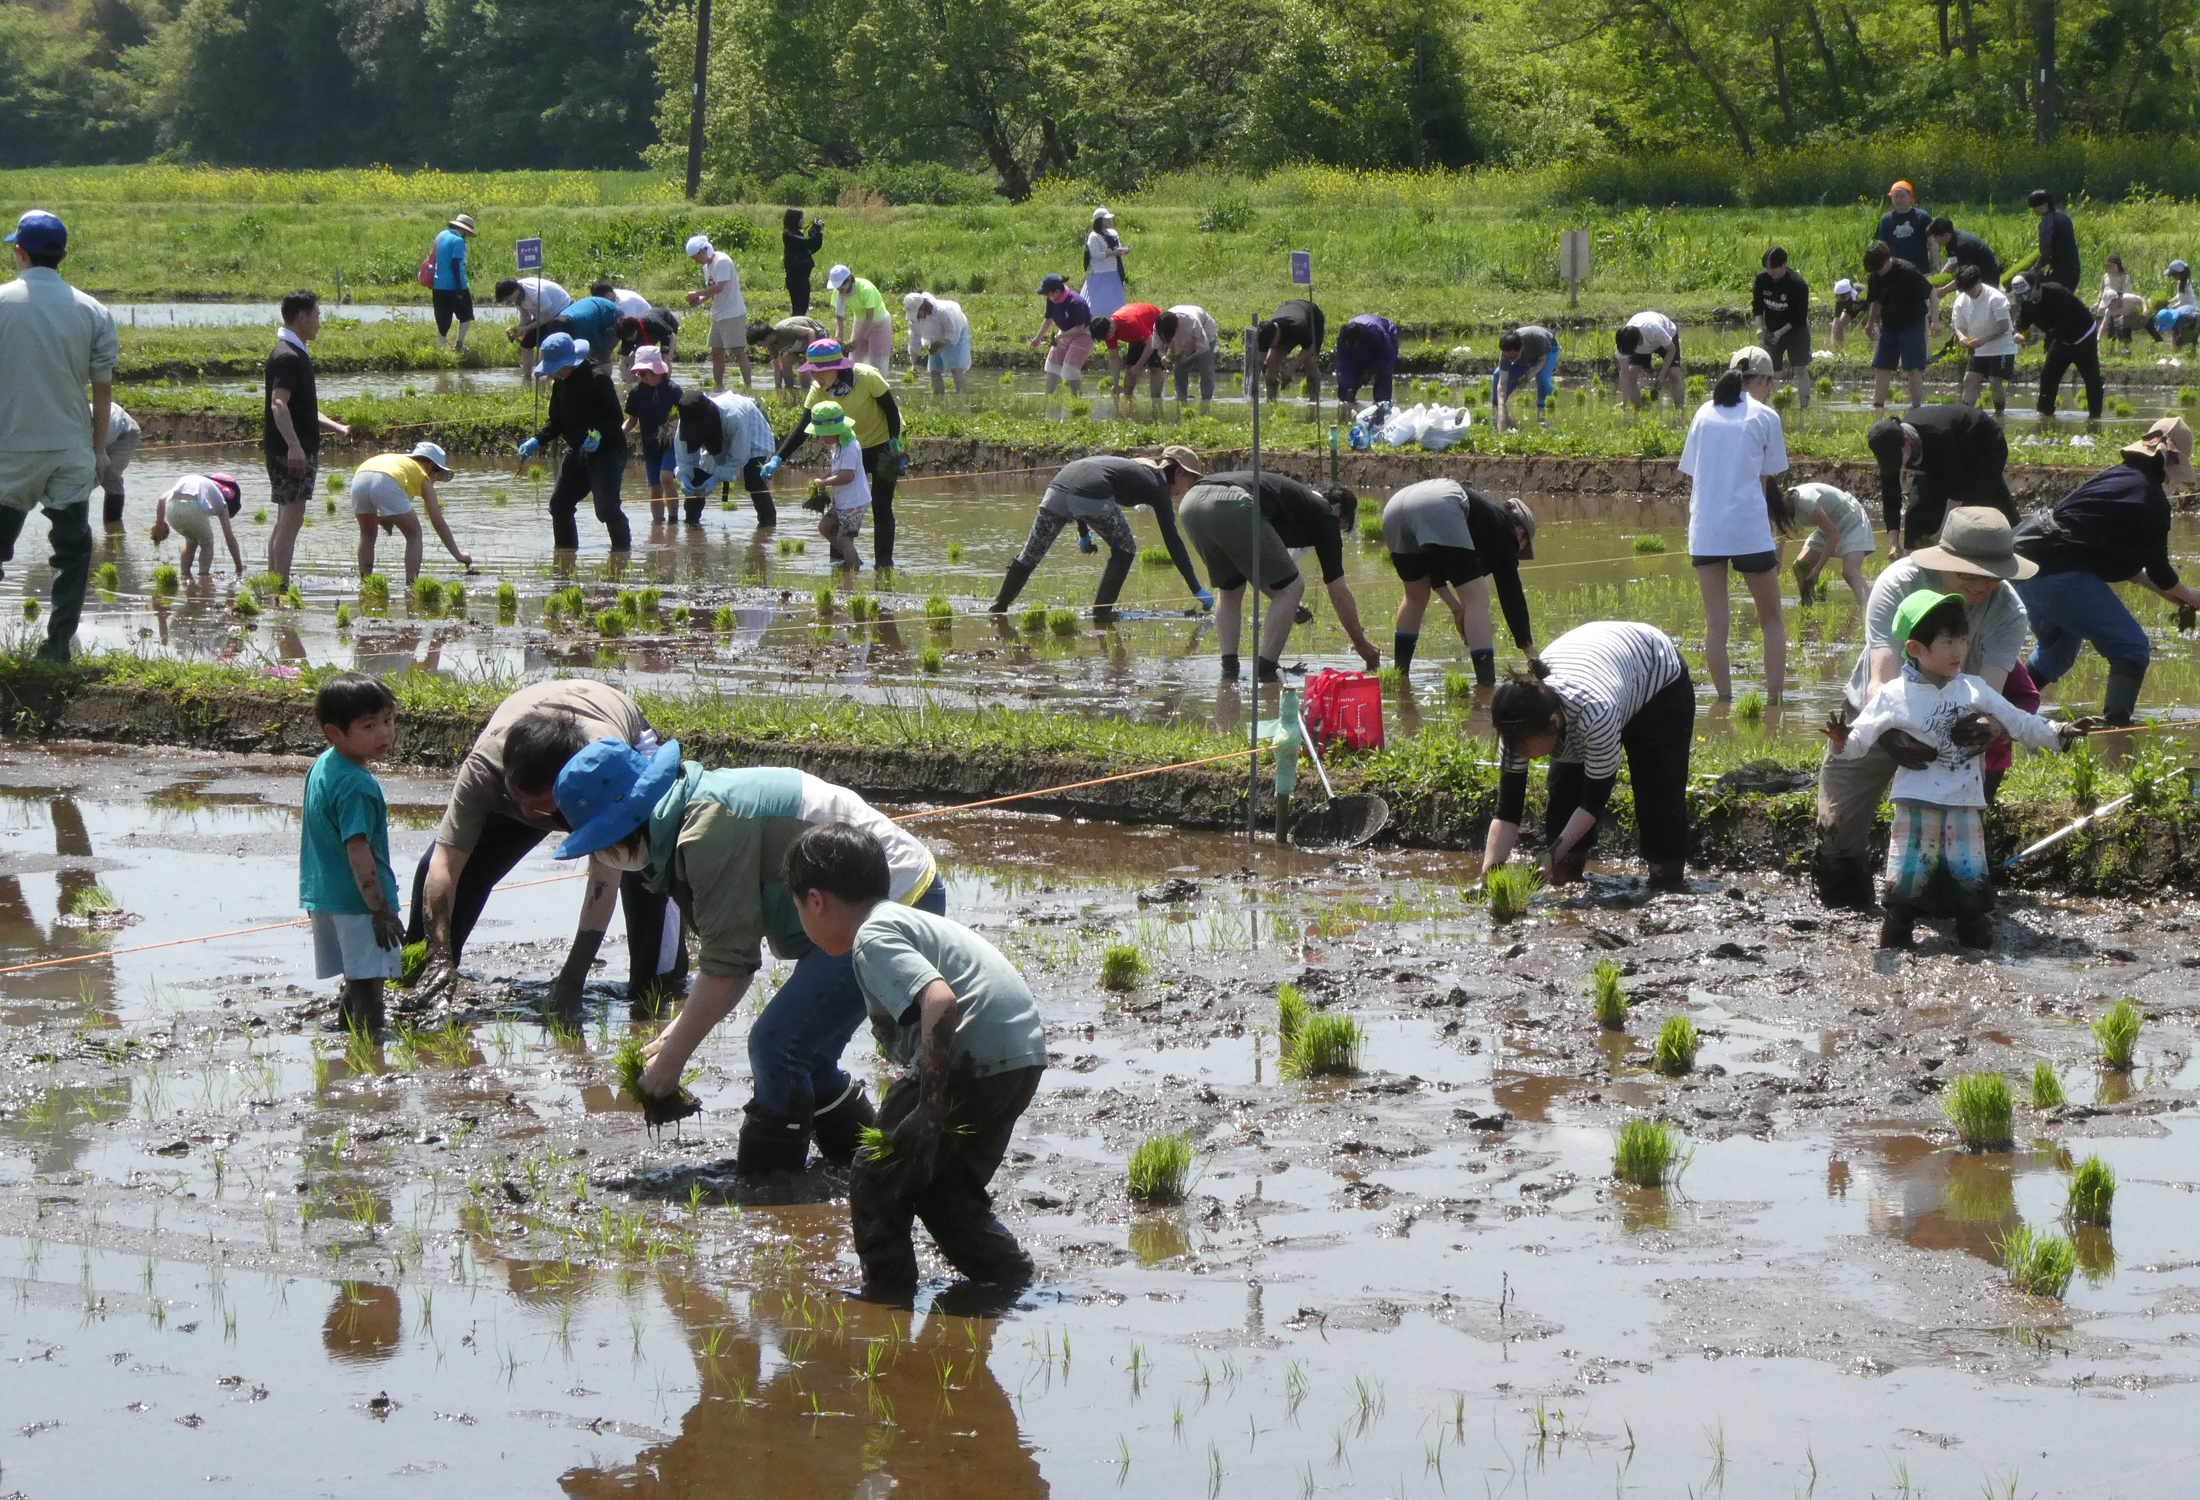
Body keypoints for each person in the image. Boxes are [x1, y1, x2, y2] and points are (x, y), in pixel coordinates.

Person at [552, 741, 947, 1175]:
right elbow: (728, 956)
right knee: (806, 1054)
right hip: (851, 905)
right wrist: (675, 1035)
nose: (602, 856)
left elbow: (730, 966)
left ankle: (771, 1187)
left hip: (893, 901)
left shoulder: (709, 827)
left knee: (777, 1045)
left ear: (626, 823)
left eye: (602, 843)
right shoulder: (687, 818)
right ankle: (870, 1164)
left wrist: (670, 1064)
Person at [784, 822, 1046, 1302]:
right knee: (945, 1189)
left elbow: (941, 1001)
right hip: (1021, 1055)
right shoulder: (903, 919)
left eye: (797, 906)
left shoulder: (872, 936)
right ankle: (1010, 1278)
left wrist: (928, 1106)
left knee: (874, 1176)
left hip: (973, 1053)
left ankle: (887, 1296)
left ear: (816, 901)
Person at [406, 682, 687, 1012]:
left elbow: (603, 882)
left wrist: (572, 979)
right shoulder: (484, 771)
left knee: (644, 868)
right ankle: (422, 978)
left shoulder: (600, 774)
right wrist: (437, 955)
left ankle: (656, 988)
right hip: (527, 748)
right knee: (447, 873)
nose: (528, 815)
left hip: (617, 753)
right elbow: (444, 863)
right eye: (519, 799)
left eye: (538, 804)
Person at [1812, 507, 2039, 910]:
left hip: (1953, 731)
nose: (1984, 584)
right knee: (1837, 831)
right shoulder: (1898, 583)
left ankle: (1939, 907)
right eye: (1971, 572)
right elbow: (1879, 683)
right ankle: (1845, 904)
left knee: (1948, 854)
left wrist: (1990, 728)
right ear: (1945, 561)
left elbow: (1989, 696)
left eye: (1993, 574)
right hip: (1879, 713)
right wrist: (1891, 732)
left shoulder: (2008, 612)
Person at [1827, 591, 2079, 950]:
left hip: (1964, 801)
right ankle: (1894, 947)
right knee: (1904, 886)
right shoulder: (1893, 695)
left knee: (1970, 880)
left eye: (1963, 639)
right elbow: (1858, 743)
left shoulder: (1974, 689)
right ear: (1915, 648)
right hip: (1915, 803)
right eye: (1947, 642)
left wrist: (2061, 732)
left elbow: (2019, 722)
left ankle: (1977, 949)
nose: (1959, 651)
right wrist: (1840, 739)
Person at [2013, 417, 2200, 723]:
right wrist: (2191, 595)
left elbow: (2130, 567)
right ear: (2171, 462)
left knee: (2057, 653)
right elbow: (2161, 571)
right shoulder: (2150, 499)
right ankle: (2117, 729)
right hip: (2062, 574)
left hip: (2029, 568)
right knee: (2132, 647)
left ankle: (2005, 711)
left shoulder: (2116, 478)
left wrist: (2171, 596)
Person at [1482, 621, 1694, 887]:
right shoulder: (1515, 723)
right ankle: (1568, 878)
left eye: (1529, 750)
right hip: (1600, 668)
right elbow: (1507, 810)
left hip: (1656, 676)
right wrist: (1489, 876)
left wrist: (1549, 855)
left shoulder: (1595, 715)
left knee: (1657, 794)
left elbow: (1593, 801)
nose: (1527, 757)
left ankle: (1667, 881)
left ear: (1553, 724)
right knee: (1563, 799)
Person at [0, 210, 115, 665]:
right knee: (73, 552)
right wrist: (99, 451)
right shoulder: (93, 310)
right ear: (63, 255)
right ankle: (57, 647)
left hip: (10, 451)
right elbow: (102, 389)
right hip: (70, 449)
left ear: (19, 253)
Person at [1177, 470, 1381, 680]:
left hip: (1191, 503)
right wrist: (1361, 643)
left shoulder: (1296, 505)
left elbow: (1261, 576)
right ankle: (1266, 670)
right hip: (1234, 502)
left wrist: (1286, 603)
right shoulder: (1326, 516)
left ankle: (1229, 670)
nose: (1336, 532)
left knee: (1231, 587)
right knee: (1294, 586)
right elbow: (1338, 590)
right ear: (1337, 510)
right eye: (1342, 526)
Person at [1680, 347, 1789, 703]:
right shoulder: (1765, 417)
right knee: (1771, 618)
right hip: (1748, 531)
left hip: (1706, 531)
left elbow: (1694, 475)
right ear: (1763, 380)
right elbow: (1764, 480)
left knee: (1716, 623)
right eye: (1770, 383)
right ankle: (1773, 701)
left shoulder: (1703, 414)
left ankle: (1724, 701)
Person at [989, 448, 1211, 618]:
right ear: (1179, 472)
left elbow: (1082, 484)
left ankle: (998, 608)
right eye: (1188, 483)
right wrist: (1196, 588)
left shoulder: (1135, 470)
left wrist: (1084, 534)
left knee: (1030, 554)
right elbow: (1173, 540)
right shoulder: (1157, 488)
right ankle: (1102, 613)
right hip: (1087, 492)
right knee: (1126, 548)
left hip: (1057, 487)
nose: (1185, 491)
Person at [302, 672, 403, 1028]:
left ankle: (344, 1040)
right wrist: (380, 909)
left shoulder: (324, 765)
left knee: (355, 976)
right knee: (370, 985)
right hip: (359, 903)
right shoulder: (356, 784)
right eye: (369, 725)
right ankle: (370, 1056)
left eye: (388, 720)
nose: (384, 733)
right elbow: (358, 850)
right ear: (335, 732)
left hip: (326, 896)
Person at [761, 338, 905, 569]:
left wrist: (895, 445)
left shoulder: (866, 377)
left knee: (881, 504)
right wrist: (778, 458)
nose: (815, 379)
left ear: (835, 367)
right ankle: (840, 565)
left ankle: (884, 565)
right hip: (847, 445)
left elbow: (890, 410)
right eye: (813, 373)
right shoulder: (819, 389)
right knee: (840, 504)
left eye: (819, 373)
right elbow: (803, 426)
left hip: (882, 443)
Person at [1380, 481, 1537, 686]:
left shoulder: (1479, 522)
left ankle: (1400, 677)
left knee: (1415, 596)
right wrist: (1529, 651)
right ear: (1521, 534)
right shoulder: (1505, 529)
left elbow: (1433, 573)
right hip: (1439, 501)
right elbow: (1511, 594)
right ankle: (1486, 685)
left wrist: (1456, 609)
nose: (1515, 552)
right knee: (1477, 598)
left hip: (1394, 507)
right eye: (1520, 549)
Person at [263, 289, 349, 589]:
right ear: (302, 316)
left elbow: (301, 409)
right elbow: (279, 404)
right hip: (290, 452)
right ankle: (281, 588)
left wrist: (334, 426)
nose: (319, 323)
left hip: (287, 448)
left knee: (285, 518)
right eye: (317, 315)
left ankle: (275, 582)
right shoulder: (288, 356)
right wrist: (295, 446)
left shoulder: (292, 352)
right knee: (291, 519)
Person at [515, 332, 629, 555]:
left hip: (607, 452)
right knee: (559, 505)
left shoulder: (598, 379)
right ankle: (565, 557)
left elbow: (615, 419)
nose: (556, 372)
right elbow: (556, 420)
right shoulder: (562, 384)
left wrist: (597, 435)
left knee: (606, 509)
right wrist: (537, 440)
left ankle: (622, 556)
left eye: (558, 367)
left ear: (571, 361)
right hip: (578, 452)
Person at [1865, 404, 2014, 552]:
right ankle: (1916, 562)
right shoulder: (1888, 445)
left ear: (1907, 441)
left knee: (1971, 510)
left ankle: (2012, 543)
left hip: (1984, 445)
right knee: (1916, 514)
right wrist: (1894, 541)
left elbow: (1957, 491)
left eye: (1899, 459)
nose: (1898, 465)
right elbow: (1890, 496)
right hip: (1942, 457)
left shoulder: (1939, 436)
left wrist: (1942, 534)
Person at [347, 442, 472, 584]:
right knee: (414, 534)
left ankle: (365, 582)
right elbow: (438, 522)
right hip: (387, 480)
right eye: (438, 475)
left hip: (359, 477)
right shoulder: (422, 475)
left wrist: (382, 519)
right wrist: (458, 555)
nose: (436, 480)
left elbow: (377, 490)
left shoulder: (400, 463)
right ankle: (411, 584)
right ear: (431, 466)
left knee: (367, 534)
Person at [670, 385, 777, 528]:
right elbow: (684, 457)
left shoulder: (734, 416)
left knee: (754, 479)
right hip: (723, 430)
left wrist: (715, 479)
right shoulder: (687, 417)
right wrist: (683, 476)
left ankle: (768, 526)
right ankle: (691, 526)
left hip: (751, 424)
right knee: (697, 478)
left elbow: (739, 457)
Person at [2009, 272, 2103, 421]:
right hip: (2061, 340)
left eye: (2025, 293)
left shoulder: (2057, 293)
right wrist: (2019, 333)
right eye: (2020, 295)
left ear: (2036, 287)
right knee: (2048, 375)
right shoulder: (2027, 302)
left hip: (2083, 336)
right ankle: (2045, 414)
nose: (2023, 299)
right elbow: (2023, 323)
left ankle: (2095, 418)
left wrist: (2044, 336)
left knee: (2092, 379)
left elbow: (2068, 321)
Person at [1862, 240, 1931, 413]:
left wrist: (1936, 321)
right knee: (1882, 365)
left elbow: (1932, 293)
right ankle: (1878, 406)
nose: (1877, 273)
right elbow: (1876, 300)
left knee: (1911, 367)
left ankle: (1917, 408)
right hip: (1889, 324)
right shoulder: (1876, 273)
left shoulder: (1908, 271)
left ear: (1887, 260)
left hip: (1912, 323)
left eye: (1879, 269)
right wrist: (1870, 322)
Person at [1786, 482, 1874, 608]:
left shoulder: (1805, 500)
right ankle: (1809, 607)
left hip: (1850, 519)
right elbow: (1781, 537)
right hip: (1827, 525)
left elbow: (1834, 534)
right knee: (1801, 567)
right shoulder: (1777, 509)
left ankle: (1867, 611)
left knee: (1850, 572)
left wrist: (1817, 570)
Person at [622, 346, 683, 525]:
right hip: (650, 445)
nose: (643, 378)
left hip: (671, 443)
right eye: (639, 374)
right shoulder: (636, 393)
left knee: (666, 477)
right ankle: (657, 526)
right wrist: (619, 434)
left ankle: (673, 521)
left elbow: (683, 417)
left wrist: (673, 426)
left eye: (646, 373)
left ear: (657, 371)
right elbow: (632, 420)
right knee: (655, 487)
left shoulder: (673, 390)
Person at [685, 234, 754, 391]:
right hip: (718, 314)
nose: (695, 261)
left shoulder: (721, 261)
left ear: (702, 251)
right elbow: (712, 291)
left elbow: (720, 286)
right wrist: (700, 300)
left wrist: (697, 293)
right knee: (716, 352)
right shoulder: (706, 267)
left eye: (695, 257)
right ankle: (719, 387)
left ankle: (749, 386)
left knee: (738, 351)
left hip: (733, 313)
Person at [1948, 264, 2016, 418]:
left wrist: (1983, 340)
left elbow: (2004, 327)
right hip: (1978, 347)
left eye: (1971, 288)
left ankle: (1999, 414)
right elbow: (1958, 325)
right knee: (1969, 379)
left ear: (1979, 281)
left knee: (1994, 380)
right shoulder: (1960, 300)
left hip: (2001, 347)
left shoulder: (1996, 298)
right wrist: (1962, 337)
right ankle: (1966, 414)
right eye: (1966, 290)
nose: (1970, 293)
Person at [150, 472, 244, 583]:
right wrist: (239, 566)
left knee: (190, 541)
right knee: (207, 543)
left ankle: (185, 576)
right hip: (193, 508)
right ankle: (203, 576)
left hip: (171, 510)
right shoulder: (220, 500)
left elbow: (162, 500)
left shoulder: (195, 481)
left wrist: (159, 525)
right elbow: (229, 538)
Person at [808, 400, 870, 568]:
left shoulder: (850, 446)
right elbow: (837, 470)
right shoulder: (837, 445)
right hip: (843, 502)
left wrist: (823, 483)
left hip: (854, 502)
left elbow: (846, 476)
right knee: (825, 527)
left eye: (822, 433)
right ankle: (853, 559)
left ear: (834, 430)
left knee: (845, 539)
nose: (821, 438)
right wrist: (824, 477)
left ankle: (852, 571)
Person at [1751, 249, 1812, 409]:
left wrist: (1780, 333)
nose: (1770, 272)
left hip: (1795, 331)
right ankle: (1765, 407)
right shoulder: (1761, 279)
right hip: (1772, 330)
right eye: (1767, 268)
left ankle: (1804, 407)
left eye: (1774, 268)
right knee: (1768, 371)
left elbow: (1800, 317)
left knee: (1800, 369)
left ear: (1785, 264)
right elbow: (1757, 306)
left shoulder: (1798, 285)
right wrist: (1760, 328)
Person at [1925, 216, 2001, 323]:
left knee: (1984, 308)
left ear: (1946, 235)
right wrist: (1938, 279)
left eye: (1935, 237)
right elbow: (1952, 263)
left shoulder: (1963, 245)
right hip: (1973, 273)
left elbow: (1963, 277)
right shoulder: (1950, 241)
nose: (1934, 240)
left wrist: (1944, 290)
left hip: (1987, 275)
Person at [494, 275, 570, 383]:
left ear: (515, 291)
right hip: (542, 314)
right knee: (526, 343)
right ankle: (527, 378)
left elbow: (547, 317)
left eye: (508, 298)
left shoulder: (535, 292)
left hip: (560, 310)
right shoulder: (516, 296)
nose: (509, 301)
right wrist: (518, 329)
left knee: (548, 342)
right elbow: (525, 316)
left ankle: (548, 376)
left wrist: (526, 328)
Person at [1029, 275, 1092, 397]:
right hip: (1065, 332)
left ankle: (1077, 397)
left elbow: (1080, 327)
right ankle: (1048, 396)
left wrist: (1060, 337)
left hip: (1084, 334)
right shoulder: (1052, 300)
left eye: (1047, 293)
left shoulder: (1075, 302)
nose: (1047, 296)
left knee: (1070, 369)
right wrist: (1038, 338)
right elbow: (1048, 320)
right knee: (1052, 365)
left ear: (1057, 291)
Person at [825, 264, 892, 376]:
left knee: (877, 366)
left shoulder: (866, 289)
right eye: (837, 287)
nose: (839, 289)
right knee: (855, 362)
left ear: (850, 279)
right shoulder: (838, 293)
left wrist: (857, 340)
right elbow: (839, 317)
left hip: (878, 323)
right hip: (860, 321)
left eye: (842, 285)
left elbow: (870, 317)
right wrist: (839, 336)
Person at [2009, 188, 2081, 291]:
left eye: (2035, 206)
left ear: (2045, 205)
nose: (2033, 210)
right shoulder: (2064, 216)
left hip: (2060, 273)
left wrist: (2034, 269)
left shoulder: (2047, 224)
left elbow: (2045, 253)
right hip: (2074, 269)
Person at [1088, 302, 1163, 398]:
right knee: (1130, 371)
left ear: (1111, 328)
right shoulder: (1108, 332)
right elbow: (1114, 358)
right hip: (1138, 336)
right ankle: (1128, 399)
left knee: (1155, 368)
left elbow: (1151, 343)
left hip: (1156, 328)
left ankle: (1156, 402)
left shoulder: (1130, 322)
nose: (1107, 339)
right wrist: (1115, 383)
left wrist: (1139, 366)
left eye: (1106, 337)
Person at [545, 285, 624, 374]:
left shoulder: (583, 327)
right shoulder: (560, 319)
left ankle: (605, 382)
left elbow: (595, 345)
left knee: (601, 353)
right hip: (594, 312)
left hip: (613, 315)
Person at [903, 292, 971, 395]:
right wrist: (913, 363)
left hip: (956, 331)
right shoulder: (914, 320)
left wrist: (941, 346)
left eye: (917, 313)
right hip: (935, 337)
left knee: (956, 368)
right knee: (934, 369)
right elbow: (914, 339)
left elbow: (951, 333)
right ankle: (938, 401)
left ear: (923, 307)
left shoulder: (942, 312)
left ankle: (963, 400)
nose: (916, 317)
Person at [1256, 299, 1325, 401]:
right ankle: (1271, 401)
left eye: (1271, 343)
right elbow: (1260, 361)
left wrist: (1290, 370)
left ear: (1276, 334)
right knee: (1271, 362)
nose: (1270, 346)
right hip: (1289, 311)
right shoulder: (1264, 333)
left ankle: (1314, 402)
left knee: (1310, 363)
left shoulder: (1298, 327)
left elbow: (1309, 349)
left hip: (1312, 318)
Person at [1491, 324, 1557, 429]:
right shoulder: (1506, 354)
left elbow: (1541, 361)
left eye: (1513, 357)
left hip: (1548, 351)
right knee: (1497, 374)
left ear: (1521, 348)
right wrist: (1501, 408)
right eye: (1508, 358)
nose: (1510, 360)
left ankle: (1543, 407)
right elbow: (1502, 381)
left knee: (1542, 376)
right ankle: (1497, 406)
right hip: (1526, 357)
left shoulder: (1538, 338)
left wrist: (1527, 377)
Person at [1614, 311, 1682, 409]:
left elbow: (1671, 350)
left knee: (1674, 373)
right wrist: (1624, 402)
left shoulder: (1654, 330)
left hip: (1666, 337)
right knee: (1631, 373)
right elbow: (1624, 373)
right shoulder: (1624, 343)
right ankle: (1637, 409)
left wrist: (1662, 375)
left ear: (1639, 342)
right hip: (1639, 342)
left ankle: (1680, 410)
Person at [1153, 305, 1218, 406]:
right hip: (1183, 340)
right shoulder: (1158, 327)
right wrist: (1164, 357)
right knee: (1179, 369)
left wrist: (1186, 358)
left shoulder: (1191, 322)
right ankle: (1181, 399)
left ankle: (1206, 400)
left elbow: (1203, 347)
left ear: (1176, 328)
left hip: (1205, 332)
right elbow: (1159, 348)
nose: (1166, 341)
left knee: (1206, 369)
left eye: (1168, 339)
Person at [1337, 314, 1403, 413]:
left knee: (1383, 375)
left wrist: (1371, 371)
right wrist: (1347, 387)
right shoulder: (1343, 338)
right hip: (1364, 342)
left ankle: (1382, 407)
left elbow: (1386, 358)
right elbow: (1343, 365)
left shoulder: (1377, 333)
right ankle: (1346, 408)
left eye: (1354, 344)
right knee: (1345, 388)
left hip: (1385, 339)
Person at [750, 313, 828, 395]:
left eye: (759, 344)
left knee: (804, 366)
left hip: (817, 336)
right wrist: (778, 387)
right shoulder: (770, 345)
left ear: (766, 337)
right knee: (785, 362)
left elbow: (810, 332)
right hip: (798, 345)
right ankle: (789, 390)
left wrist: (810, 354)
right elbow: (777, 366)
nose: (760, 347)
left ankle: (806, 391)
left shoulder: (786, 329)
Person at [431, 213, 474, 352]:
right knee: (466, 316)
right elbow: (455, 263)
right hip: (455, 285)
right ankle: (459, 344)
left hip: (438, 285)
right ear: (464, 230)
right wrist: (459, 287)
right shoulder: (458, 241)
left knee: (442, 319)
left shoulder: (440, 235)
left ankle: (441, 347)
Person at [96, 400, 138, 526]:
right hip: (105, 435)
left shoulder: (104, 425)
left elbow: (99, 456)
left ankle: (113, 526)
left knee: (110, 474)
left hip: (125, 433)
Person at [1877, 180, 1934, 272]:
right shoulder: (1886, 219)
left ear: (1910, 197)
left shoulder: (1923, 217)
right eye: (1895, 196)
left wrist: (1936, 267)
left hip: (1920, 269)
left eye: (1902, 196)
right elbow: (1881, 246)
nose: (1899, 199)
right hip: (1895, 270)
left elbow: (1932, 243)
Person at [1082, 207, 1128, 318]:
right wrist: (1112, 253)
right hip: (1099, 273)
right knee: (1098, 301)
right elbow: (1096, 255)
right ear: (1100, 221)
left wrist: (1122, 251)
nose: (1109, 221)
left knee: (1114, 300)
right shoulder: (1094, 236)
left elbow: (1118, 247)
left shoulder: (1113, 233)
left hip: (1113, 271)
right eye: (1106, 219)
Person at [2095, 253, 2149, 347]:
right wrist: (2098, 302)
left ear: (2118, 266)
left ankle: (2126, 346)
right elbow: (2102, 291)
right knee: (2106, 325)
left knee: (2121, 328)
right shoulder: (2105, 276)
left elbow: (2125, 291)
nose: (2109, 269)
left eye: (2111, 266)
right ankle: (2109, 347)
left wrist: (2115, 299)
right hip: (2108, 303)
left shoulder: (2124, 277)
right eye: (2107, 266)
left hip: (2119, 303)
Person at [782, 209, 825, 317]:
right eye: (801, 218)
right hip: (795, 278)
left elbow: (811, 247)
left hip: (803, 277)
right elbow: (805, 243)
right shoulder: (788, 235)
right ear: (794, 219)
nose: (803, 220)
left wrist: (816, 233)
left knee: (803, 308)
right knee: (798, 309)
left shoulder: (798, 234)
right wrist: (815, 230)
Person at [615, 305, 681, 370]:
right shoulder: (625, 333)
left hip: (666, 327)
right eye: (626, 338)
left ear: (635, 330)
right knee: (631, 357)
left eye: (631, 336)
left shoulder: (654, 323)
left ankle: (664, 377)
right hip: (644, 329)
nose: (629, 339)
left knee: (665, 356)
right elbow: (623, 358)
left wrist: (667, 359)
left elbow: (672, 337)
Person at [2156, 259, 2198, 348]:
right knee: (2177, 330)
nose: (2172, 277)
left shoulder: (2185, 285)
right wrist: (2168, 302)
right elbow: (2178, 296)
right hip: (2182, 310)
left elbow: (2182, 302)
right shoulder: (2180, 283)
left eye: (2173, 275)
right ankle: (2178, 347)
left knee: (2178, 331)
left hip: (2187, 311)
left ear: (2178, 274)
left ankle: (2177, 348)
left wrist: (2170, 309)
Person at [1830, 277, 1858, 352]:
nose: (1841, 300)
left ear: (1849, 293)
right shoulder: (1840, 301)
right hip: (1851, 309)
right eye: (1838, 297)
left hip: (1863, 307)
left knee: (1869, 329)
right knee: (1839, 325)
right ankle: (1839, 350)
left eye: (1843, 297)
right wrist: (1834, 345)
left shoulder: (1859, 295)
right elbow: (1835, 324)